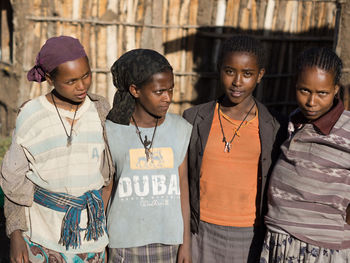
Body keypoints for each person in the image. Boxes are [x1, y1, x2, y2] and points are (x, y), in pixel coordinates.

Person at [1, 36, 114, 263]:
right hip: (41, 238)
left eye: (86, 75)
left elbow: (108, 172)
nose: (82, 86)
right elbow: (13, 181)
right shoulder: (31, 114)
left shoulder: (100, 110)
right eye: (71, 81)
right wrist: (15, 234)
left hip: (92, 240)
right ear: (50, 78)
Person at [182, 35, 287, 263]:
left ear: (260, 75)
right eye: (230, 71)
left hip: (249, 233)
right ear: (219, 70)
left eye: (247, 74)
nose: (237, 82)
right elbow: (182, 181)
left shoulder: (275, 126)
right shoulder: (194, 118)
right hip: (200, 231)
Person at [260, 47, 350, 262]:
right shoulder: (294, 121)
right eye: (304, 90)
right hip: (279, 239)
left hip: (321, 248)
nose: (311, 102)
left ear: (336, 89)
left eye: (322, 93)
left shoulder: (347, 128)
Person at [104, 49, 192, 263]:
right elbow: (106, 190)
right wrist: (101, 243)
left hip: (168, 242)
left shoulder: (180, 129)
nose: (168, 98)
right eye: (159, 91)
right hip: (124, 243)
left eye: (170, 90)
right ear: (135, 90)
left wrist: (185, 242)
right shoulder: (112, 131)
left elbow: (182, 187)